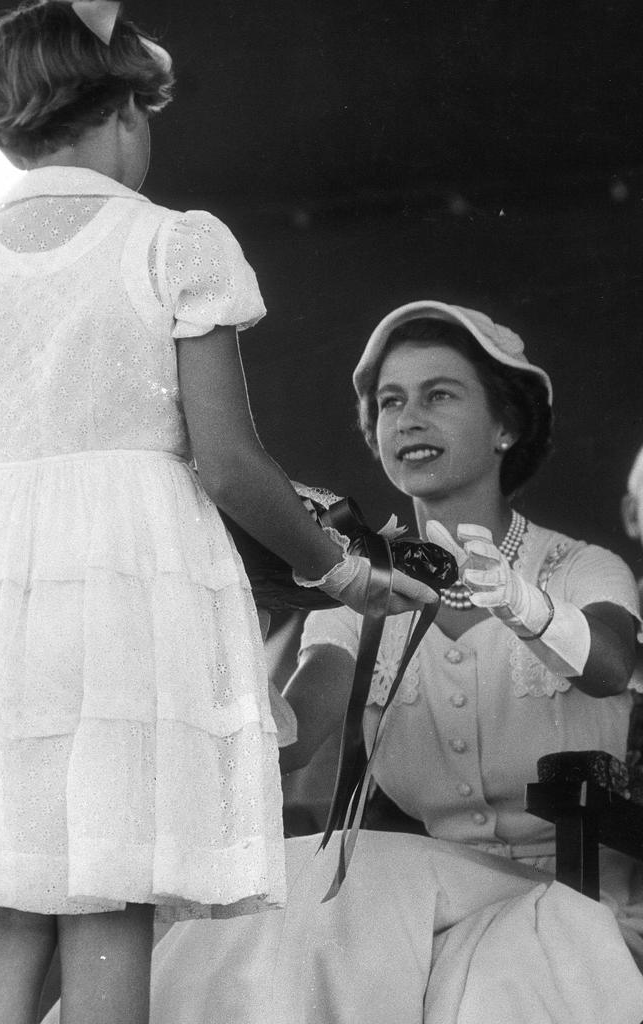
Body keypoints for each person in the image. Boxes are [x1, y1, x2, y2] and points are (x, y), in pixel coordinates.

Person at [0, 6, 438, 1024]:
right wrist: (344, 571)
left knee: (5, 903)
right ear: (126, 113)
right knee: (109, 894)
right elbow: (229, 464)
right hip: (129, 591)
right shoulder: (173, 244)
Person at [150, 301, 643, 1024]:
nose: (409, 418)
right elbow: (295, 741)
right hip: (443, 892)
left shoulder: (580, 569)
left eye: (440, 395)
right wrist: (229, 633)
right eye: (390, 402)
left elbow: (607, 664)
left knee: (385, 904)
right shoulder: (365, 593)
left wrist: (520, 602)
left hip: (586, 897)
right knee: (293, 891)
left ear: (506, 425)